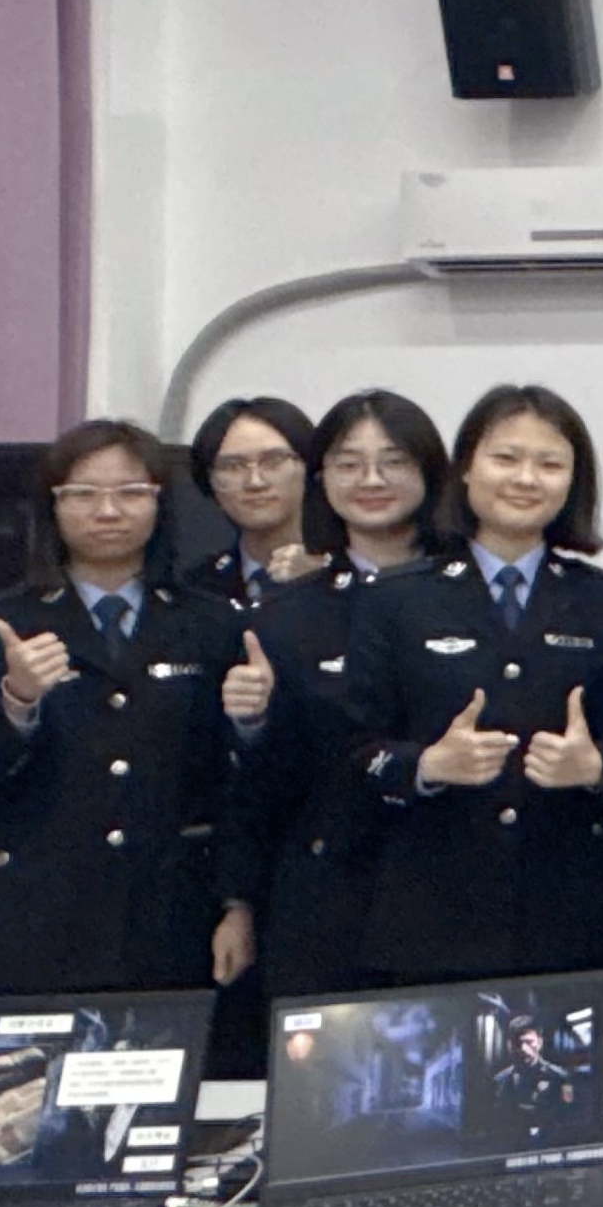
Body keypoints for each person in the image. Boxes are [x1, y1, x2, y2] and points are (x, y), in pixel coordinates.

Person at [0, 420, 256, 994]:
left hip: (168, 913)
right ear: (52, 506)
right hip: (33, 915)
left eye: (131, 493)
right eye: (83, 494)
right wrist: (17, 702)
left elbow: (233, 785)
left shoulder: (212, 623)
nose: (108, 511)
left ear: (160, 503)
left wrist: (238, 901)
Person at [341, 384, 603, 983]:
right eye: (506, 458)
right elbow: (355, 746)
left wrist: (596, 767)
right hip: (432, 906)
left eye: (550, 464)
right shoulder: (397, 599)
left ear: (573, 482)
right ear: (466, 470)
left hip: (568, 908)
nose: (526, 479)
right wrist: (427, 766)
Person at [224, 390, 448, 1012]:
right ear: (321, 478)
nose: (371, 480)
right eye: (349, 464)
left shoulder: (472, 592)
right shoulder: (283, 612)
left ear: (431, 472)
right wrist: (252, 722)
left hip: (454, 885)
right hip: (327, 892)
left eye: (394, 461)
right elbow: (260, 788)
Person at [188, 396, 316, 607]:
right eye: (232, 466)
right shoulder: (193, 591)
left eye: (274, 461)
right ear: (209, 481)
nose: (255, 482)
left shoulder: (353, 574)